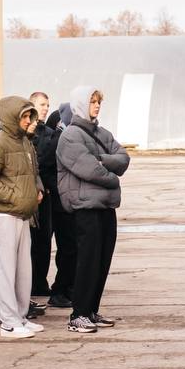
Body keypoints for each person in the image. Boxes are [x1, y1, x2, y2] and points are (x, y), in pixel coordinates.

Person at [55, 86, 128, 334]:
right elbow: (90, 169)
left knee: (102, 261)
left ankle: (91, 310)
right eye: (92, 102)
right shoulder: (70, 136)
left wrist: (102, 159)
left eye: (98, 102)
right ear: (80, 104)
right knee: (88, 261)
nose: (96, 106)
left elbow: (123, 158)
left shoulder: (102, 132)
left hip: (105, 206)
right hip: (85, 207)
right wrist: (112, 177)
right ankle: (78, 314)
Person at [0, 96, 46, 340]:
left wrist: (35, 191)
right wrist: (15, 197)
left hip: (23, 214)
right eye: (24, 116)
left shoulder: (25, 142)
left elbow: (31, 173)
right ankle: (8, 322)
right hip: (4, 215)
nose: (28, 120)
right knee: (6, 270)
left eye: (29, 116)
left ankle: (21, 317)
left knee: (23, 271)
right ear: (11, 117)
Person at [29, 91, 58, 316]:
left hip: (45, 194)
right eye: (41, 104)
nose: (46, 108)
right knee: (29, 240)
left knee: (44, 239)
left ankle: (39, 281)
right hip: (28, 194)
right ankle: (29, 282)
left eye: (47, 105)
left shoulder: (50, 133)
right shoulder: (25, 132)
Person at [47, 102, 76, 310]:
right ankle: (60, 290)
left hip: (68, 201)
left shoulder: (70, 137)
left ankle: (68, 288)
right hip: (61, 203)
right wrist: (60, 189)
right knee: (68, 249)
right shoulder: (59, 139)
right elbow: (47, 169)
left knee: (71, 249)